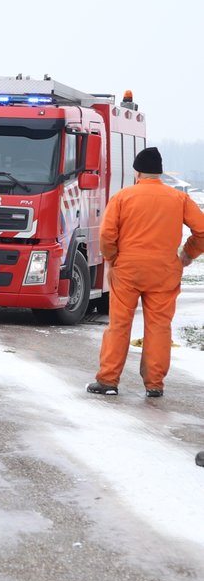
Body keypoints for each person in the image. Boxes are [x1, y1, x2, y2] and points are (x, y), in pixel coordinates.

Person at [87, 147, 204, 397]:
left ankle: (108, 381)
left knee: (119, 325)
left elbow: (107, 234)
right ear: (159, 173)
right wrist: (187, 254)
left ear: (137, 172)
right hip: (164, 271)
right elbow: (202, 230)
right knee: (159, 326)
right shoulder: (179, 198)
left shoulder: (123, 197)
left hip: (128, 269)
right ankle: (154, 384)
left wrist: (114, 259)